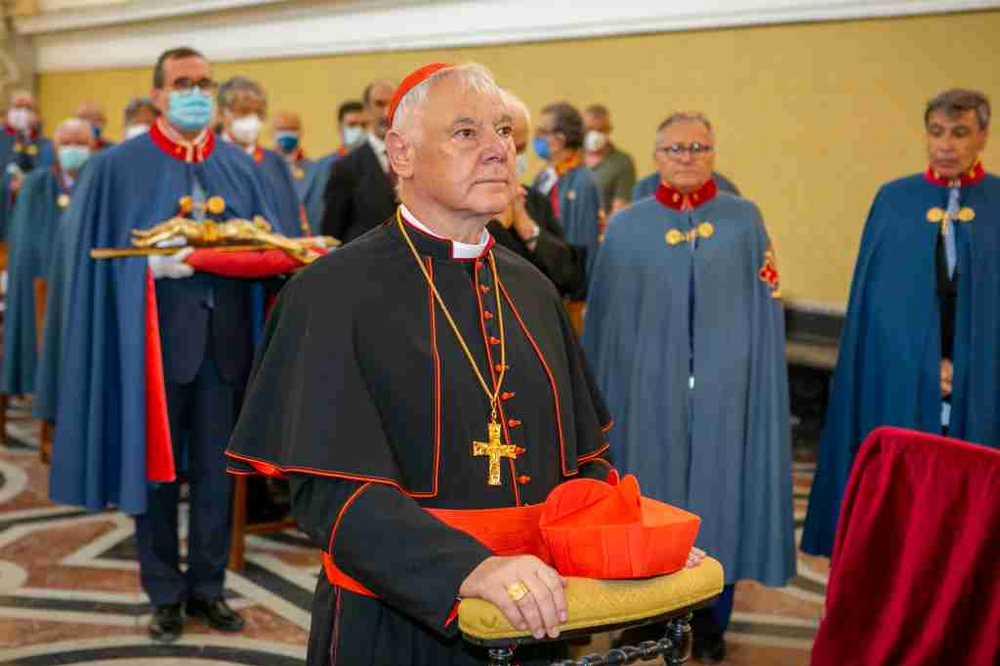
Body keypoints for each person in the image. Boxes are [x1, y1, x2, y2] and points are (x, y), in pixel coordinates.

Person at [227, 62, 703, 665]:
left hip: (538, 614)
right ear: (401, 152)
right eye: (466, 132)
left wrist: (634, 545)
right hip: (396, 621)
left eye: (504, 131)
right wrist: (468, 568)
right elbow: (332, 495)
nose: (498, 150)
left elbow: (585, 467)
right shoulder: (330, 292)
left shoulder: (532, 289)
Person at [41, 46, 280, 644]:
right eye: (183, 83)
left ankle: (208, 586)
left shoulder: (238, 164)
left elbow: (270, 246)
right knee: (153, 476)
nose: (195, 92)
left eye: (204, 82)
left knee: (215, 476)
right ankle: (164, 592)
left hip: (224, 347)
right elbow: (91, 266)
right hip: (147, 351)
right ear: (157, 95)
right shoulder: (117, 166)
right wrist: (146, 271)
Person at [582, 112, 796, 663]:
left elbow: (765, 309)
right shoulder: (626, 227)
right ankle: (642, 614)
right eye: (674, 148)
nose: (686, 156)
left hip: (725, 391)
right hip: (645, 392)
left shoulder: (745, 220)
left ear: (713, 153)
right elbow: (605, 322)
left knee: (720, 501)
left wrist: (750, 380)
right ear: (655, 157)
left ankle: (712, 617)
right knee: (648, 501)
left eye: (698, 147)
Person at [802, 89, 1000, 557]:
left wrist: (967, 365)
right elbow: (881, 312)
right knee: (906, 513)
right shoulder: (894, 201)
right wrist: (924, 365)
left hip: (984, 381)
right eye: (936, 133)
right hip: (903, 380)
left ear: (983, 136)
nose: (945, 145)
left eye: (959, 133)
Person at [1, 117, 94, 401]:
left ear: (93, 146)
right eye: (66, 143)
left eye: (80, 143)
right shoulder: (37, 184)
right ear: (54, 147)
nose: (73, 149)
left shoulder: (101, 180)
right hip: (44, 282)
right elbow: (25, 241)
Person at [489, 91, 584, 297]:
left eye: (521, 148)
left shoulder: (535, 202)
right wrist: (497, 227)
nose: (515, 156)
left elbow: (572, 277)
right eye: (508, 145)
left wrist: (527, 227)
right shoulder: (458, 208)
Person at [217, 76, 304, 235]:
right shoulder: (210, 159)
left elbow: (291, 220)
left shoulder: (275, 162)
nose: (253, 119)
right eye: (243, 111)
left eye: (259, 113)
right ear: (222, 113)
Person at [531, 101, 602, 283]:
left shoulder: (583, 182)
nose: (536, 137)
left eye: (542, 132)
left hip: (567, 285)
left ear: (560, 139)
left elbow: (585, 247)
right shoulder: (544, 176)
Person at [319, 80, 398, 243]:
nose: (387, 112)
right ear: (367, 110)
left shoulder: (416, 161)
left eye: (393, 104)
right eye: (379, 104)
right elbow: (332, 234)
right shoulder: (346, 168)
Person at [0, 90, 54, 238]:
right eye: (17, 107)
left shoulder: (46, 145)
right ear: (7, 112)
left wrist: (29, 182)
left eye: (27, 108)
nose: (21, 112)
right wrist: (7, 184)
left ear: (36, 114)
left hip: (32, 219)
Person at [583, 104, 636, 215]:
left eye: (601, 130)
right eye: (589, 129)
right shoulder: (573, 160)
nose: (595, 134)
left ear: (609, 130)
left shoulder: (622, 163)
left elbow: (620, 211)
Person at [271, 109, 313, 201]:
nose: (287, 133)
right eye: (282, 129)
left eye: (292, 129)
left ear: (300, 132)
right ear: (272, 132)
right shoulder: (261, 166)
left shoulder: (312, 168)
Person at [633, 168, 740, 201]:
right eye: (675, 149)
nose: (686, 157)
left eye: (696, 149)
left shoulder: (724, 190)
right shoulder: (644, 189)